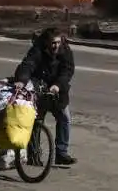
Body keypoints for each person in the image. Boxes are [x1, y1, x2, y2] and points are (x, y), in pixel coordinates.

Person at [12, 27, 77, 166]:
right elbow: (28, 64)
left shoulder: (65, 50)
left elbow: (68, 70)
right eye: (53, 43)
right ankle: (34, 154)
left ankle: (61, 153)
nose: (56, 46)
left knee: (64, 118)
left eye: (58, 42)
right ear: (47, 42)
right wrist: (22, 80)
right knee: (37, 121)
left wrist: (58, 85)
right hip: (39, 87)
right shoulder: (38, 49)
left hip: (58, 91)